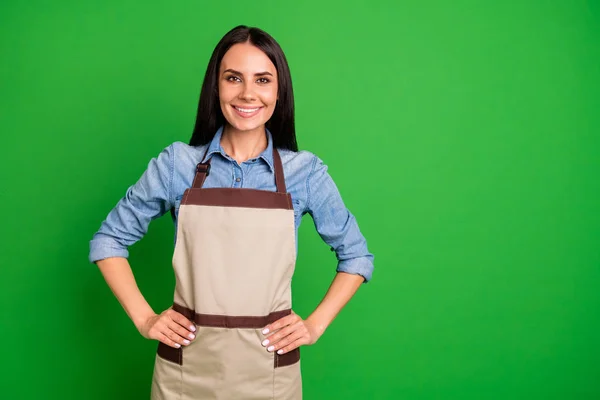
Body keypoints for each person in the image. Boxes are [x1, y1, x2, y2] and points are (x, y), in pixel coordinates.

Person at [89, 25, 374, 400]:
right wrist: (145, 318)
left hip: (269, 373)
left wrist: (314, 325)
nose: (247, 93)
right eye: (233, 78)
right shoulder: (178, 165)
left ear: (278, 91)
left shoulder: (304, 173)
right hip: (184, 372)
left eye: (262, 80)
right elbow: (108, 241)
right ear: (216, 86)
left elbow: (356, 256)